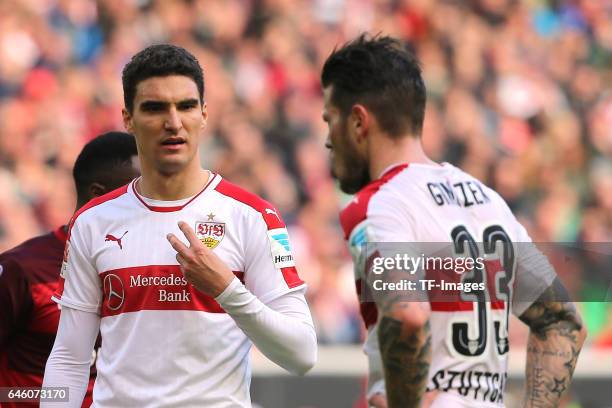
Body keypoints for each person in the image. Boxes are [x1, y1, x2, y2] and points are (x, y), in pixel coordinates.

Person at [42, 44, 317, 407]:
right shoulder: (92, 222)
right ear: (128, 118)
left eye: (186, 106)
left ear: (203, 114)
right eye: (155, 108)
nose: (174, 122)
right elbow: (69, 357)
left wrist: (227, 291)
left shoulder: (253, 217)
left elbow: (301, 354)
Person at [321, 34, 587, 408]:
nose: (328, 140)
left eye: (330, 120)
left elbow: (407, 315)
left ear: (358, 121)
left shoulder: (378, 205)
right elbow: (563, 322)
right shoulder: (490, 202)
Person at [0, 132, 140, 408]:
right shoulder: (23, 270)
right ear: (98, 196)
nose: (152, 205)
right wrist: (52, 397)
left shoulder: (150, 269)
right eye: (138, 194)